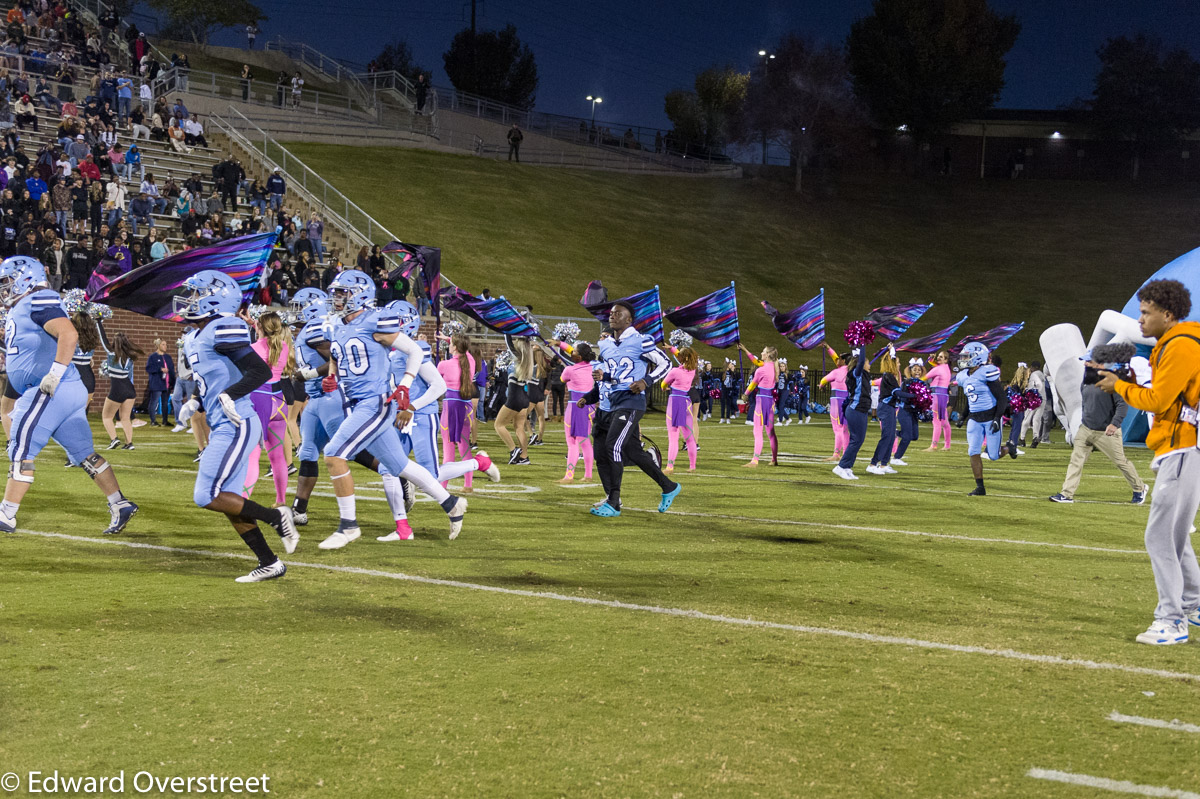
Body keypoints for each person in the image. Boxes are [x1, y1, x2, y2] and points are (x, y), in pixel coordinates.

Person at [317, 271, 467, 548]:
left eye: (341, 293)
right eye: (335, 292)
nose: (336, 298)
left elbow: (413, 351)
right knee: (398, 466)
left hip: (374, 402)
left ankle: (348, 526)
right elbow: (340, 358)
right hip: (357, 402)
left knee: (334, 455)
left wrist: (406, 386)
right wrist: (332, 377)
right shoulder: (338, 326)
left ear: (358, 295)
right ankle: (452, 503)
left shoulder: (375, 320)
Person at [174, 271, 299, 582]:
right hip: (223, 423)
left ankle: (277, 516)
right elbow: (218, 377)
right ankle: (269, 562)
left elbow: (258, 371)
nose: (190, 300)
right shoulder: (195, 334)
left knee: (206, 495)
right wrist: (199, 403)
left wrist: (230, 395)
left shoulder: (222, 326)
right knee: (229, 499)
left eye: (196, 294)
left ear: (214, 299)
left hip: (237, 423)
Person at [0, 255, 138, 536]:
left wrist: (54, 373)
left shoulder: (38, 299)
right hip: (66, 390)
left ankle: (6, 514)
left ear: (26, 278)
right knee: (84, 454)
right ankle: (119, 503)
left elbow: (68, 333)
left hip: (50, 388)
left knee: (22, 447)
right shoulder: (21, 308)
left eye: (8, 282)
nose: (5, 288)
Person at [1096, 279, 1200, 645]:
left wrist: (1118, 386)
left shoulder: (1183, 345)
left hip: (1185, 448)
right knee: (1174, 535)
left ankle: (1171, 621)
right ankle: (1195, 603)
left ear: (1167, 314)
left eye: (1146, 312)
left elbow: (1158, 400)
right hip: (1183, 448)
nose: (1139, 320)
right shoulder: (1181, 341)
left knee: (1159, 536)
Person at [590, 301, 679, 517]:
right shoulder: (606, 345)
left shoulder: (642, 341)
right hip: (611, 402)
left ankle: (614, 502)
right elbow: (618, 373)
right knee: (605, 453)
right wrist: (604, 377)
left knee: (613, 446)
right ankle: (668, 486)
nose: (612, 316)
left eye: (618, 313)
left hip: (631, 401)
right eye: (611, 313)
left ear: (629, 319)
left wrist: (646, 381)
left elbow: (666, 364)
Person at [1050, 356, 1146, 505]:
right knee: (1076, 461)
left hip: (1106, 432)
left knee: (1121, 462)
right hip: (1086, 429)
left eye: (1088, 361)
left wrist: (1114, 424)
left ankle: (1139, 488)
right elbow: (1086, 402)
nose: (1085, 363)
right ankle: (1066, 494)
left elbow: (1122, 405)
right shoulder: (1086, 380)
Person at [954, 342, 1006, 496]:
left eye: (967, 356)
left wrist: (997, 418)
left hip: (990, 417)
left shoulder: (987, 372)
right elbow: (972, 400)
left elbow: (1002, 399)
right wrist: (963, 416)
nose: (963, 359)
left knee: (993, 456)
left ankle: (1009, 447)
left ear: (977, 357)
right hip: (975, 419)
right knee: (973, 451)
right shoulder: (964, 376)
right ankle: (980, 487)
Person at [436, 331, 478, 491]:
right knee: (464, 447)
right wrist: (450, 339)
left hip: (450, 407)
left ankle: (443, 486)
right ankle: (468, 485)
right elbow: (464, 350)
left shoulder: (444, 364)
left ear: (454, 347)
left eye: (451, 343)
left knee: (448, 450)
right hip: (466, 407)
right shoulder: (470, 361)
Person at [555, 339, 595, 483]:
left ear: (579, 356)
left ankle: (569, 475)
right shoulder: (593, 367)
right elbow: (573, 351)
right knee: (585, 441)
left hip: (575, 407)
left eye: (575, 352)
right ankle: (588, 475)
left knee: (572, 442)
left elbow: (562, 379)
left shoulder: (569, 370)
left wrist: (559, 344)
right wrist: (559, 343)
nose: (572, 353)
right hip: (590, 407)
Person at [833, 347, 871, 481]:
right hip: (856, 409)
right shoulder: (855, 372)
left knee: (858, 440)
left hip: (861, 410)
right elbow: (860, 363)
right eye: (867, 362)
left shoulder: (862, 375)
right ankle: (841, 467)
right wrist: (863, 345)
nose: (869, 364)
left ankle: (847, 467)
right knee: (856, 440)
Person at [739, 342, 779, 467]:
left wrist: (745, 394)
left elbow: (753, 384)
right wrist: (745, 349)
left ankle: (755, 460)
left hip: (761, 400)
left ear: (767, 355)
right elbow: (755, 360)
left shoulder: (761, 369)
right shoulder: (774, 366)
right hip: (770, 401)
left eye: (763, 351)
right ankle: (774, 459)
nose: (761, 353)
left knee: (757, 431)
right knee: (771, 432)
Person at [100, 330, 141, 449]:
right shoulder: (130, 357)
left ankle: (114, 439)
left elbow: (103, 340)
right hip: (130, 389)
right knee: (126, 418)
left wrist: (98, 321)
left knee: (107, 417)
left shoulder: (111, 354)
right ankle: (129, 443)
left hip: (117, 389)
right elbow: (130, 376)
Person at [661, 346, 698, 472]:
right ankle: (692, 466)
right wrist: (672, 348)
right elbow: (683, 357)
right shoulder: (692, 370)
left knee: (673, 436)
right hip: (686, 402)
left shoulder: (675, 371)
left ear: (684, 358)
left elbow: (663, 384)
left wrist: (666, 387)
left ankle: (670, 466)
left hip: (675, 402)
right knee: (689, 437)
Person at [867, 349, 904, 475]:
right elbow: (898, 392)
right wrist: (913, 396)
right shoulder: (888, 376)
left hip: (890, 408)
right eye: (897, 362)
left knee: (891, 436)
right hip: (886, 408)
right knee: (886, 436)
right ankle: (873, 464)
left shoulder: (892, 376)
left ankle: (884, 464)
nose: (899, 365)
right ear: (892, 364)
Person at [820, 346, 850, 461]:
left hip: (836, 401)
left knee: (837, 428)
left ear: (843, 361)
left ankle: (836, 454)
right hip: (847, 399)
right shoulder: (851, 370)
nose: (837, 360)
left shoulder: (836, 372)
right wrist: (828, 348)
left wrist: (822, 386)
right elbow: (836, 358)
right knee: (845, 428)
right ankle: (846, 453)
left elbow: (823, 380)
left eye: (839, 359)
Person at [923, 350, 953, 450]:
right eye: (938, 356)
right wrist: (931, 359)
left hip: (937, 396)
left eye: (941, 357)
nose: (938, 358)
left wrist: (913, 380)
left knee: (936, 421)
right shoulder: (946, 368)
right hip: (943, 395)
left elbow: (925, 377)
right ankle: (947, 445)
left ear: (946, 360)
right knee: (945, 423)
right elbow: (935, 364)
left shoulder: (939, 369)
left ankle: (934, 445)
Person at [144, 337, 173, 426]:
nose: (165, 346)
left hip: (166, 384)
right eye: (163, 344)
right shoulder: (153, 357)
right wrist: (160, 369)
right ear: (158, 345)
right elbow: (148, 368)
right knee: (154, 401)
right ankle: (153, 420)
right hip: (157, 383)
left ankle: (165, 420)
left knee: (165, 403)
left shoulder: (168, 357)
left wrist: (172, 382)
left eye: (166, 345)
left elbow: (171, 370)